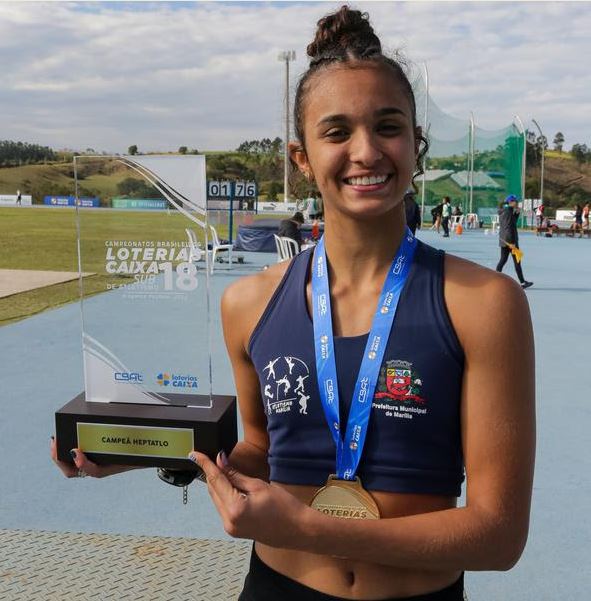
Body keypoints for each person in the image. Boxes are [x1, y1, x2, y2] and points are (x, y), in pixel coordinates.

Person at [52, 7, 535, 601]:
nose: (365, 152)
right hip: (277, 587)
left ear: (416, 143)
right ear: (301, 156)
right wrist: (141, 448)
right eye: (336, 132)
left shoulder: (484, 303)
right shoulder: (248, 303)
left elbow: (499, 535)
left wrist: (313, 528)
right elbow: (258, 449)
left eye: (388, 127)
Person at [496, 194, 533, 289]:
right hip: (510, 241)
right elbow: (509, 228)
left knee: (503, 260)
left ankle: (495, 278)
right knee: (517, 261)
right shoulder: (508, 211)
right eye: (515, 201)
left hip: (504, 239)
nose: (517, 203)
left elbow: (511, 223)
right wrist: (512, 242)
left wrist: (517, 214)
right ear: (510, 202)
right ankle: (522, 282)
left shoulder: (505, 211)